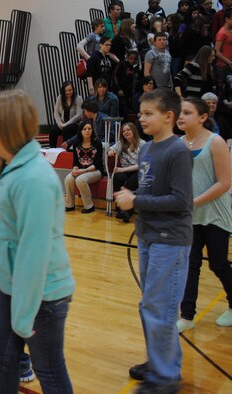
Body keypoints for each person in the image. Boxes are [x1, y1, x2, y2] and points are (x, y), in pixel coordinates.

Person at [0, 89, 75, 394]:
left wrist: (24, 318)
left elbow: (33, 254)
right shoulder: (9, 169)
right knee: (2, 365)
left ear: (9, 128)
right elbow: (8, 232)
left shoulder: (32, 179)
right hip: (13, 288)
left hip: (40, 296)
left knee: (50, 372)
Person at [115, 89, 193, 394]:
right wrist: (133, 198)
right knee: (149, 305)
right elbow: (146, 190)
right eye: (141, 112)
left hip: (170, 240)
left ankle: (166, 378)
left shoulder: (178, 151)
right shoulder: (146, 150)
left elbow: (181, 201)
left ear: (168, 117)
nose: (141, 118)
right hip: (148, 236)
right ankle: (159, 361)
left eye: (148, 114)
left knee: (159, 307)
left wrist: (136, 201)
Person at [175, 97, 232, 333]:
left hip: (215, 214)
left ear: (202, 117)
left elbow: (225, 183)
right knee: (191, 264)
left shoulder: (215, 142)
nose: (180, 116)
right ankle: (187, 316)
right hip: (191, 215)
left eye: (187, 113)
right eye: (179, 112)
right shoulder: (178, 143)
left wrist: (193, 202)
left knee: (218, 264)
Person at [0, 162, 35, 391]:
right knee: (2, 325)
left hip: (13, 268)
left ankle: (6, 372)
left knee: (8, 328)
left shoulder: (25, 174)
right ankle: (13, 365)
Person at [64, 120, 104, 214]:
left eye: (89, 129)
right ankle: (70, 204)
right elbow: (75, 162)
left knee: (80, 179)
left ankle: (89, 206)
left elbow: (97, 164)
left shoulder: (97, 143)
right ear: (80, 131)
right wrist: (74, 169)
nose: (87, 131)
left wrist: (83, 171)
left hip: (95, 170)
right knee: (68, 178)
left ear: (92, 130)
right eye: (84, 129)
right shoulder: (76, 144)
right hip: (81, 169)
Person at [108, 122, 145, 222]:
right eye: (123, 131)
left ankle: (128, 210)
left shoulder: (142, 144)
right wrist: (111, 151)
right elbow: (111, 148)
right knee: (118, 178)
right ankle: (120, 208)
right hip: (124, 170)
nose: (125, 132)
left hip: (137, 170)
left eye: (128, 130)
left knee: (132, 182)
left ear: (134, 130)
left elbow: (141, 165)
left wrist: (122, 169)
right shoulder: (121, 143)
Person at [49, 81, 83, 148]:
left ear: (73, 89)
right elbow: (56, 113)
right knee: (53, 129)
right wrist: (59, 123)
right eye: (66, 91)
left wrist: (66, 124)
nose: (68, 92)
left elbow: (79, 114)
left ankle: (67, 149)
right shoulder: (60, 98)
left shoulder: (78, 98)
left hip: (75, 124)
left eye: (70, 90)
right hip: (62, 123)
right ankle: (52, 149)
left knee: (66, 129)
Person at [114, 50, 139, 116]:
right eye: (131, 59)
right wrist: (119, 89)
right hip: (121, 90)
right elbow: (115, 76)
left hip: (128, 92)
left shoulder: (133, 68)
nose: (132, 60)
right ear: (127, 58)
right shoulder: (122, 64)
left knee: (128, 109)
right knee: (123, 109)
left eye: (134, 59)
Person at [214, 9, 232, 91]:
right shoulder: (222, 32)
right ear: (226, 19)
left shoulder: (230, 31)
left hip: (229, 64)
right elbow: (216, 51)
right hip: (223, 65)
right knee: (222, 89)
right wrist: (228, 61)